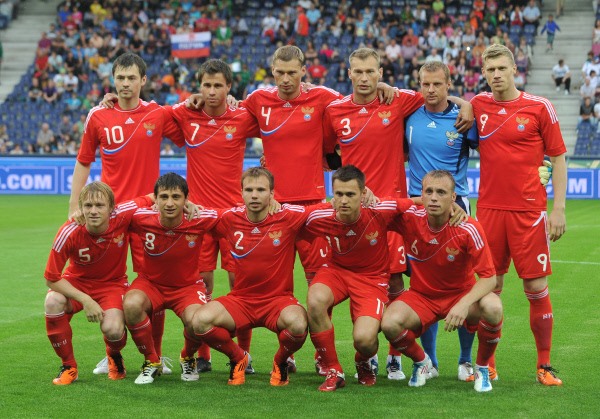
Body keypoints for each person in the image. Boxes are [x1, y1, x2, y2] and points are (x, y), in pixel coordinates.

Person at [323, 49, 474, 380]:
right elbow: (325, 154)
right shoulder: (334, 110)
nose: (364, 78)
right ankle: (367, 355)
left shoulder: (399, 100)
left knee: (397, 282)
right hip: (352, 211)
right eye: (358, 71)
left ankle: (395, 357)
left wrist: (467, 103)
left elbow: (436, 94)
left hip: (393, 210)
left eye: (371, 72)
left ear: (380, 72)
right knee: (355, 279)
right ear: (349, 73)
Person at [70, 52, 184, 376]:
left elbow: (189, 129)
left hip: (149, 213)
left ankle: (156, 357)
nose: (125, 83)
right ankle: (112, 355)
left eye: (131, 77)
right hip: (112, 216)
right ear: (112, 80)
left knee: (153, 285)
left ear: (143, 80)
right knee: (112, 285)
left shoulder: (158, 114)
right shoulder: (98, 116)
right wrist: (74, 205)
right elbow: (83, 161)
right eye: (120, 78)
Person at [471, 44, 566, 386]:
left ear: (514, 69)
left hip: (528, 211)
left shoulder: (539, 107)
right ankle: (487, 365)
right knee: (489, 288)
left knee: (536, 286)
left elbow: (557, 158)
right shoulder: (478, 105)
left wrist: (558, 208)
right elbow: (444, 103)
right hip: (490, 212)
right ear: (484, 74)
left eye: (501, 68)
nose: (496, 74)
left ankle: (544, 365)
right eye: (490, 69)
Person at [169, 59, 260, 372]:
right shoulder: (186, 114)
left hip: (235, 218)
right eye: (206, 85)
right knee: (201, 287)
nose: (211, 91)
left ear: (229, 87)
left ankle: (244, 356)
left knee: (241, 288)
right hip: (198, 217)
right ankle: (198, 355)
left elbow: (277, 130)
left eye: (217, 85)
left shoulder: (242, 116)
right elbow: (152, 113)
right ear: (199, 87)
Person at [381, 170, 503, 392]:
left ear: (453, 197)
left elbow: (489, 278)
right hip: (422, 296)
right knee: (389, 323)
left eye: (441, 192)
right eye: (429, 192)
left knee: (494, 307)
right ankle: (422, 362)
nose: (434, 197)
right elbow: (379, 208)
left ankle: (482, 368)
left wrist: (463, 304)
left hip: (460, 294)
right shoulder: (410, 218)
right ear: (421, 195)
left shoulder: (468, 227)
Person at [192, 167, 310, 386]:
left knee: (299, 324)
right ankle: (239, 358)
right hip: (242, 300)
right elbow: (199, 215)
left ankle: (280, 361)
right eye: (249, 189)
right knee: (199, 322)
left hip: (278, 300)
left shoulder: (288, 217)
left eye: (261, 190)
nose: (254, 195)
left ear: (272, 193)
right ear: (241, 193)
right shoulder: (229, 218)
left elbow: (323, 210)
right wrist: (187, 206)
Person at [304, 165, 418, 391]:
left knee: (365, 340)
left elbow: (418, 202)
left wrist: (454, 206)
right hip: (336, 272)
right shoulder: (320, 215)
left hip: (371, 279)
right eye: (339, 194)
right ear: (332, 194)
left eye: (350, 194)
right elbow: (285, 216)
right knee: (315, 299)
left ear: (363, 194)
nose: (343, 200)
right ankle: (333, 369)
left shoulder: (380, 209)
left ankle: (363, 360)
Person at [404, 61, 480, 382]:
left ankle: (465, 360)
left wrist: (469, 104)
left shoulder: (464, 120)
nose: (430, 90)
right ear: (418, 84)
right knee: (423, 287)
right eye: (425, 84)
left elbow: (492, 147)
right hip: (415, 209)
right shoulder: (408, 115)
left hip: (455, 208)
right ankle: (430, 361)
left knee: (462, 285)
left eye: (437, 84)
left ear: (449, 84)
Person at [44, 182, 153, 385]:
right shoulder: (69, 232)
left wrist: (189, 204)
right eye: (88, 206)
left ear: (111, 208)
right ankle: (69, 366)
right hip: (77, 283)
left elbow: (155, 195)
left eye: (99, 206)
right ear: (81, 208)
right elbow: (51, 277)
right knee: (52, 302)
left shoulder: (123, 214)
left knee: (113, 330)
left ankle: (113, 355)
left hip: (113, 284)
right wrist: (86, 300)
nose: (93, 211)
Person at [124, 173, 218, 384]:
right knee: (130, 305)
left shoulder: (200, 218)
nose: (169, 203)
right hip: (151, 284)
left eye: (176, 197)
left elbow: (232, 215)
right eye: (164, 197)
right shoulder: (141, 218)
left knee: (199, 321)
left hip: (186, 287)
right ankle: (151, 361)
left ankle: (187, 357)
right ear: (155, 200)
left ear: (186, 200)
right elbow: (114, 213)